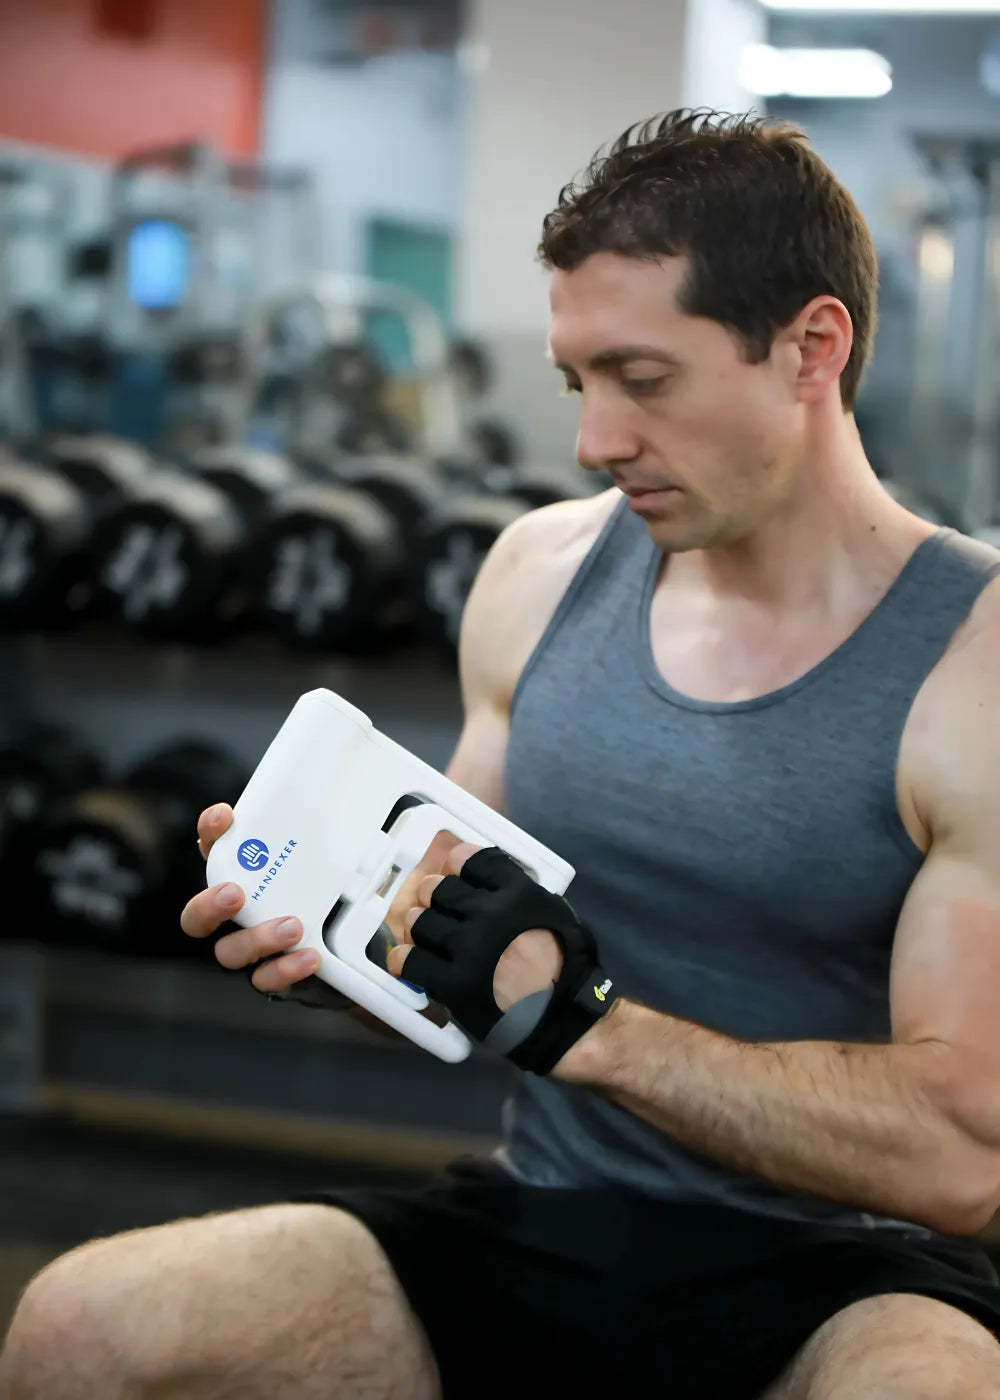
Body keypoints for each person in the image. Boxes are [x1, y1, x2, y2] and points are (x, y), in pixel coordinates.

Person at [4, 108, 1000, 1400]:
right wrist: (334, 945)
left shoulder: (972, 669)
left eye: (643, 381)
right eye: (577, 383)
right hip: (540, 1215)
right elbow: (457, 954)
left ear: (812, 347)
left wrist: (590, 1027)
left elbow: (961, 1154)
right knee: (78, 1329)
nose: (593, 441)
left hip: (844, 1272)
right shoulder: (538, 574)